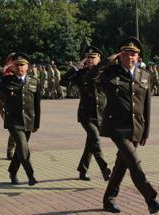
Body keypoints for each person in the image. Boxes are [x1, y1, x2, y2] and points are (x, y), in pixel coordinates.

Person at [99, 37, 159, 214]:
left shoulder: (145, 75)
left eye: (133, 54)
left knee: (121, 165)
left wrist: (145, 132)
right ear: (120, 56)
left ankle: (109, 199)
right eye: (126, 54)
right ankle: (151, 199)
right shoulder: (110, 73)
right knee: (134, 162)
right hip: (117, 127)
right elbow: (91, 77)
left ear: (139, 56)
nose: (130, 57)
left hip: (136, 127)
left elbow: (146, 106)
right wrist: (107, 60)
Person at [0, 52, 40, 186]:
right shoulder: (6, 81)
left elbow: (37, 105)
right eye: (17, 65)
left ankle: (12, 172)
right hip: (13, 122)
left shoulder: (34, 81)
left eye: (22, 65)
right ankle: (31, 175)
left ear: (28, 66)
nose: (20, 68)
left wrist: (36, 124)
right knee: (23, 147)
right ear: (13, 67)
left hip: (28, 121)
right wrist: (2, 70)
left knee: (20, 150)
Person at [60, 46, 111, 182]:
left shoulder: (105, 73)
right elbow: (63, 82)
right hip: (85, 114)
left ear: (99, 58)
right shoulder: (81, 73)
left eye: (93, 57)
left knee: (91, 143)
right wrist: (75, 68)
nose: (89, 60)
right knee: (95, 138)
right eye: (87, 57)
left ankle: (82, 170)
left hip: (100, 114)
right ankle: (104, 168)